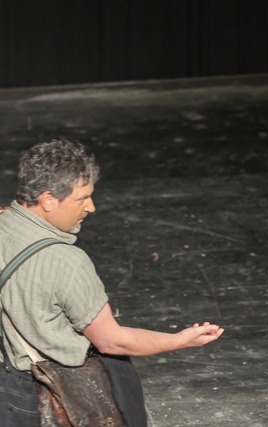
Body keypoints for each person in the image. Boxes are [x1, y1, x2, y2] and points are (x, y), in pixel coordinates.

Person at [0, 139, 224, 426]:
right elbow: (110, 341)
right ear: (48, 200)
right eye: (82, 199)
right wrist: (180, 340)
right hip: (40, 396)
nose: (91, 207)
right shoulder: (66, 262)